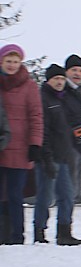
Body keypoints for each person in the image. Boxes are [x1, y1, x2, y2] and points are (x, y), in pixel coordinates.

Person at [34, 64, 81, 245]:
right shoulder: (43, 99)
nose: (59, 82)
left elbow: (72, 125)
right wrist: (45, 156)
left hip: (64, 156)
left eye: (62, 79)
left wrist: (80, 140)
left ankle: (64, 232)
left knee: (67, 195)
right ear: (48, 80)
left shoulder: (63, 100)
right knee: (45, 196)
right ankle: (39, 232)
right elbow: (43, 130)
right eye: (56, 78)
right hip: (48, 156)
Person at [0, 44, 43, 245]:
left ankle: (17, 236)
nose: (11, 65)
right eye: (8, 61)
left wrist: (35, 143)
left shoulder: (29, 85)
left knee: (16, 195)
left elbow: (36, 115)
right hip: (1, 145)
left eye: (15, 62)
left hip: (20, 148)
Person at [63, 54, 81, 203]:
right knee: (65, 192)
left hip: (80, 145)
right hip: (66, 146)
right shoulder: (62, 92)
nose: (77, 74)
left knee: (74, 191)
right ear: (66, 71)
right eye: (74, 70)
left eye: (80, 70)